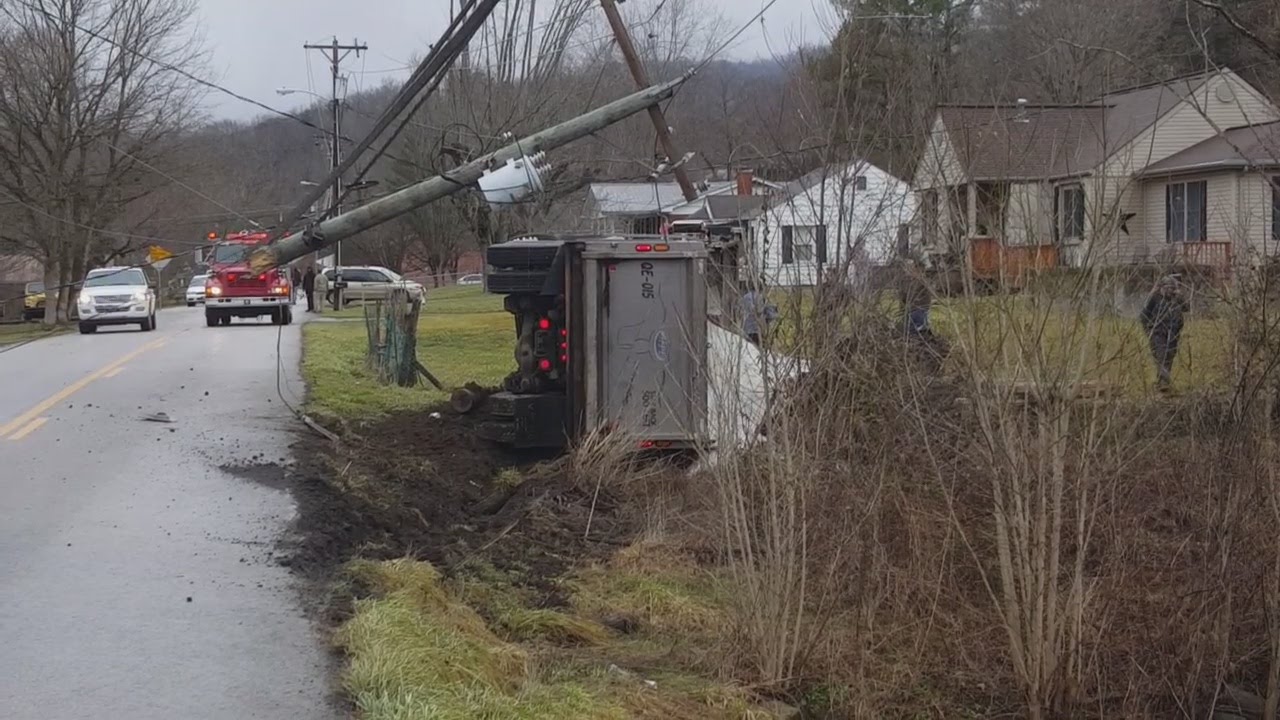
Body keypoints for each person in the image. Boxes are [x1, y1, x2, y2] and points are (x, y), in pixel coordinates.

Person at [1140, 275, 1188, 391]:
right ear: (1162, 288)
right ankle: (1164, 382)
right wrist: (1148, 331)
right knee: (1161, 356)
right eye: (1168, 288)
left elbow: (1187, 308)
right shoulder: (1155, 298)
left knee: (1169, 357)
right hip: (1157, 333)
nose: (1170, 291)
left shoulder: (1176, 299)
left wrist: (1180, 296)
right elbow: (1144, 316)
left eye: (1172, 288)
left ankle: (1162, 382)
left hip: (1173, 333)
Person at [740, 279, 777, 345]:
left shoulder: (745, 297)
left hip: (747, 329)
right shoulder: (760, 297)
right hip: (757, 329)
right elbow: (762, 311)